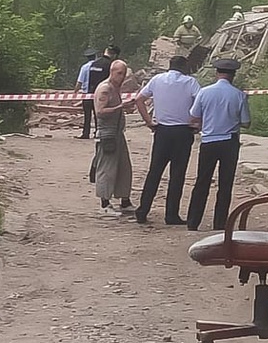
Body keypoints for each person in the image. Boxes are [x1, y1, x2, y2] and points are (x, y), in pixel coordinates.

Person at [134, 56, 200, 225]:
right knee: (177, 174)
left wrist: (148, 121)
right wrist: (198, 123)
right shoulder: (191, 82)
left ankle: (143, 209)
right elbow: (201, 102)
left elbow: (139, 99)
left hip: (162, 131)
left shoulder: (157, 80)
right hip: (183, 132)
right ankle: (171, 214)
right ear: (184, 66)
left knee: (154, 171)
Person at [186, 58, 251, 231]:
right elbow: (246, 121)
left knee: (202, 182)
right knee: (225, 183)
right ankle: (220, 223)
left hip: (208, 141)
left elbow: (194, 116)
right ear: (233, 75)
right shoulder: (239, 95)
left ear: (217, 73)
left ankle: (193, 221)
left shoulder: (205, 92)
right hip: (229, 141)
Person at [89, 59, 135, 216]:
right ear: (112, 72)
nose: (121, 77)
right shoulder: (105, 89)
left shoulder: (116, 89)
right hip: (107, 134)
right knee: (106, 169)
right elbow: (100, 111)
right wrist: (120, 107)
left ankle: (125, 200)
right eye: (119, 73)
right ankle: (104, 204)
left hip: (117, 133)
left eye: (123, 74)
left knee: (124, 168)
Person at [74, 48, 98, 139]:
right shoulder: (98, 66)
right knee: (97, 115)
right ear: (95, 56)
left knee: (87, 115)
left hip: (86, 94)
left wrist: (75, 91)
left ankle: (86, 133)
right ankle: (97, 132)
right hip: (96, 94)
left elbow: (79, 82)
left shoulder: (84, 67)